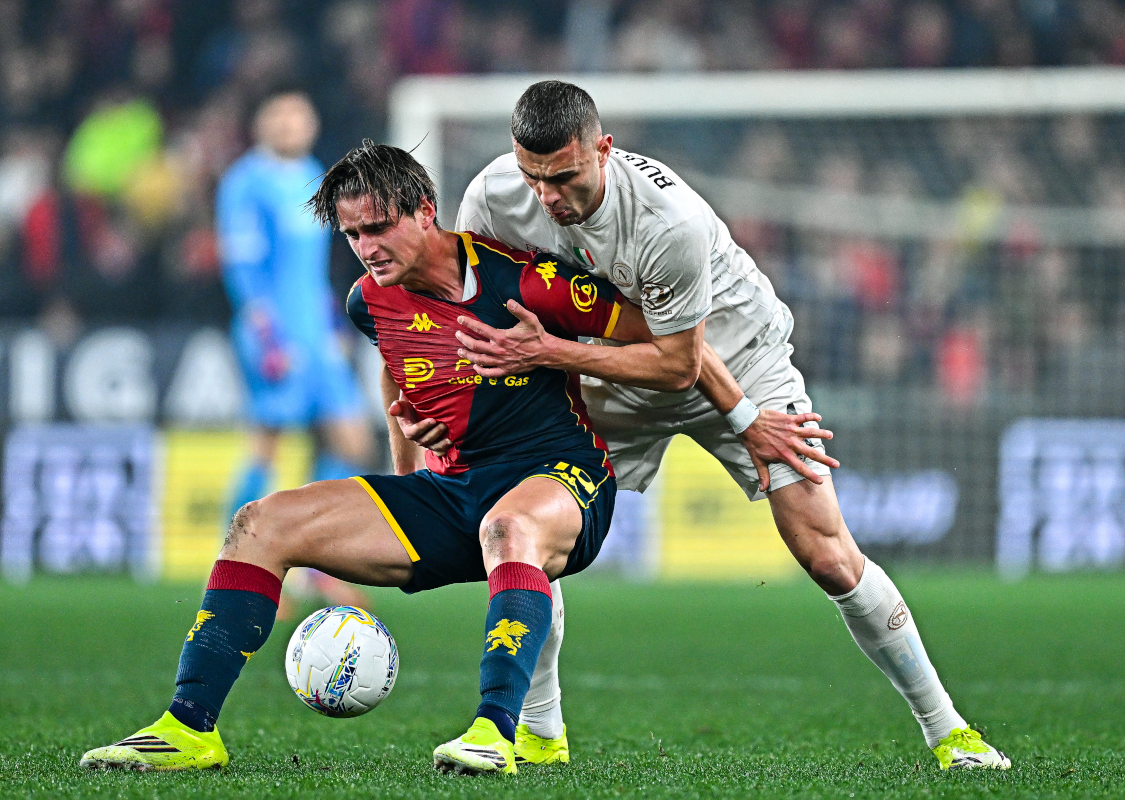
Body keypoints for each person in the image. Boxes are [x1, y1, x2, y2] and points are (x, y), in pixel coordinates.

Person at [402, 81, 1010, 771]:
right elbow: (479, 307)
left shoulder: (667, 222)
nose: (546, 196)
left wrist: (749, 419)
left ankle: (949, 730)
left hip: (737, 361)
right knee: (525, 525)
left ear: (604, 150)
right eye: (532, 176)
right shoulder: (491, 198)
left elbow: (678, 365)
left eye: (564, 177)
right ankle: (541, 731)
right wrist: (451, 401)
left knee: (827, 554)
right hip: (601, 370)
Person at [79, 141, 666, 775]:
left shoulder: (524, 280)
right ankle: (187, 728)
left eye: (379, 227)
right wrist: (408, 463)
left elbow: (653, 341)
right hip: (457, 491)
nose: (367, 248)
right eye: (353, 233)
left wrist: (551, 352)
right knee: (260, 523)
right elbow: (395, 368)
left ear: (425, 211)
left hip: (564, 476)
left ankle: (494, 732)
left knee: (510, 527)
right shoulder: (369, 300)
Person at [217, 88, 373, 610]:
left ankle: (311, 564)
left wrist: (332, 327)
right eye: (280, 114)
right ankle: (238, 569)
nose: (292, 124)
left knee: (350, 441)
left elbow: (317, 268)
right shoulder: (245, 182)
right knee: (267, 442)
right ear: (262, 122)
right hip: (274, 331)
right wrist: (267, 337)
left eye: (300, 115)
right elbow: (244, 269)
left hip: (315, 328)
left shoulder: (313, 174)